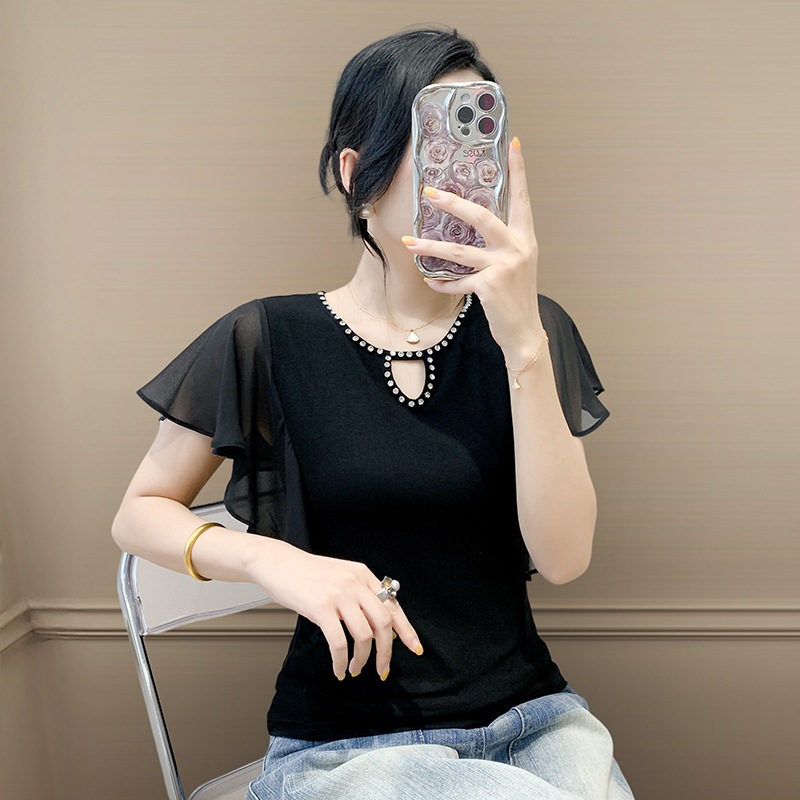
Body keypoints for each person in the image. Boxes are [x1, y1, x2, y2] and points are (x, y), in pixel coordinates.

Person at [112, 27, 634, 800]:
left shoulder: (530, 331)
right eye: (436, 155)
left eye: (476, 158)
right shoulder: (269, 337)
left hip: (535, 725)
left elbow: (563, 559)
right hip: (346, 750)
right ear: (357, 174)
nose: (463, 190)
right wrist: (274, 560)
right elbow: (138, 514)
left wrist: (524, 345)